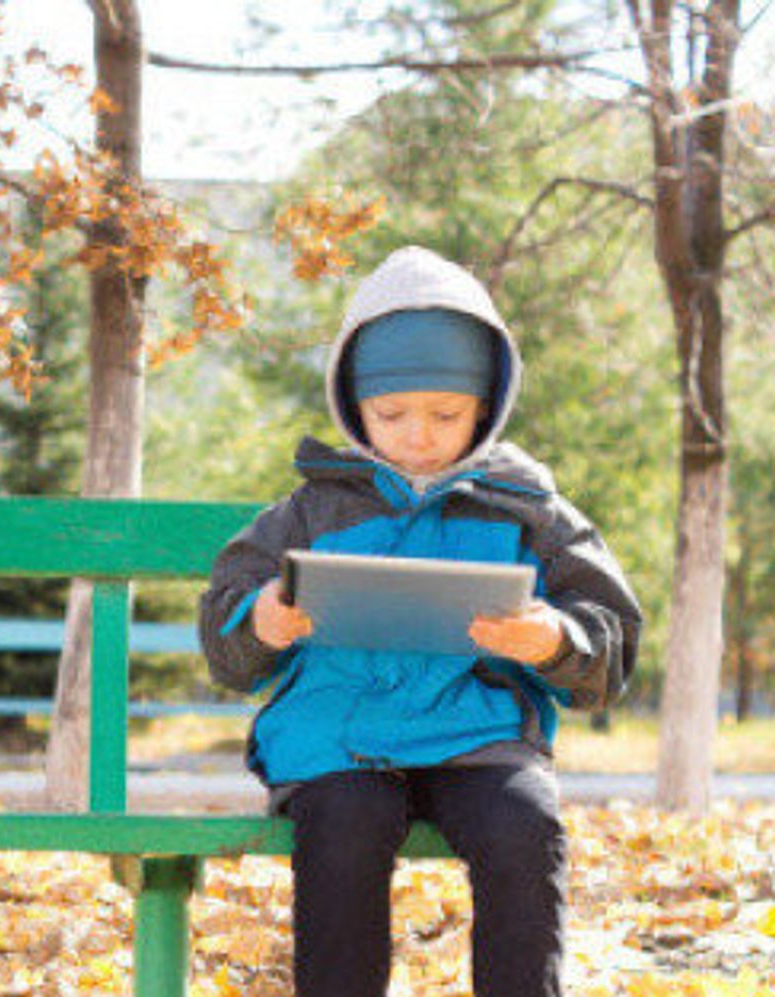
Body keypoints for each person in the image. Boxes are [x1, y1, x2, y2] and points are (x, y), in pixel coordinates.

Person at [198, 246, 640, 997]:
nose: (418, 435)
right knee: (344, 826)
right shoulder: (311, 508)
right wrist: (262, 620)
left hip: (476, 734)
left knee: (523, 828)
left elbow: (610, 637)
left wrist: (555, 639)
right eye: (391, 413)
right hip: (339, 733)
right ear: (355, 406)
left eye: (446, 413)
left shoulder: (527, 509)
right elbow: (227, 627)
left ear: (486, 406)